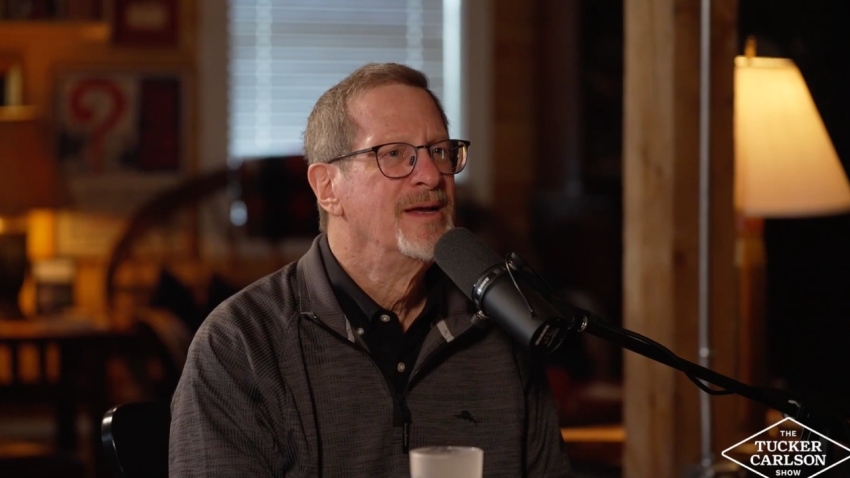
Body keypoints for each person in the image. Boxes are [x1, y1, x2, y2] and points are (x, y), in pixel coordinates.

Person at [169, 62, 571, 477]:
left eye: (439, 150)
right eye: (395, 154)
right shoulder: (241, 344)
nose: (431, 174)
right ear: (327, 188)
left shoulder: (498, 334)